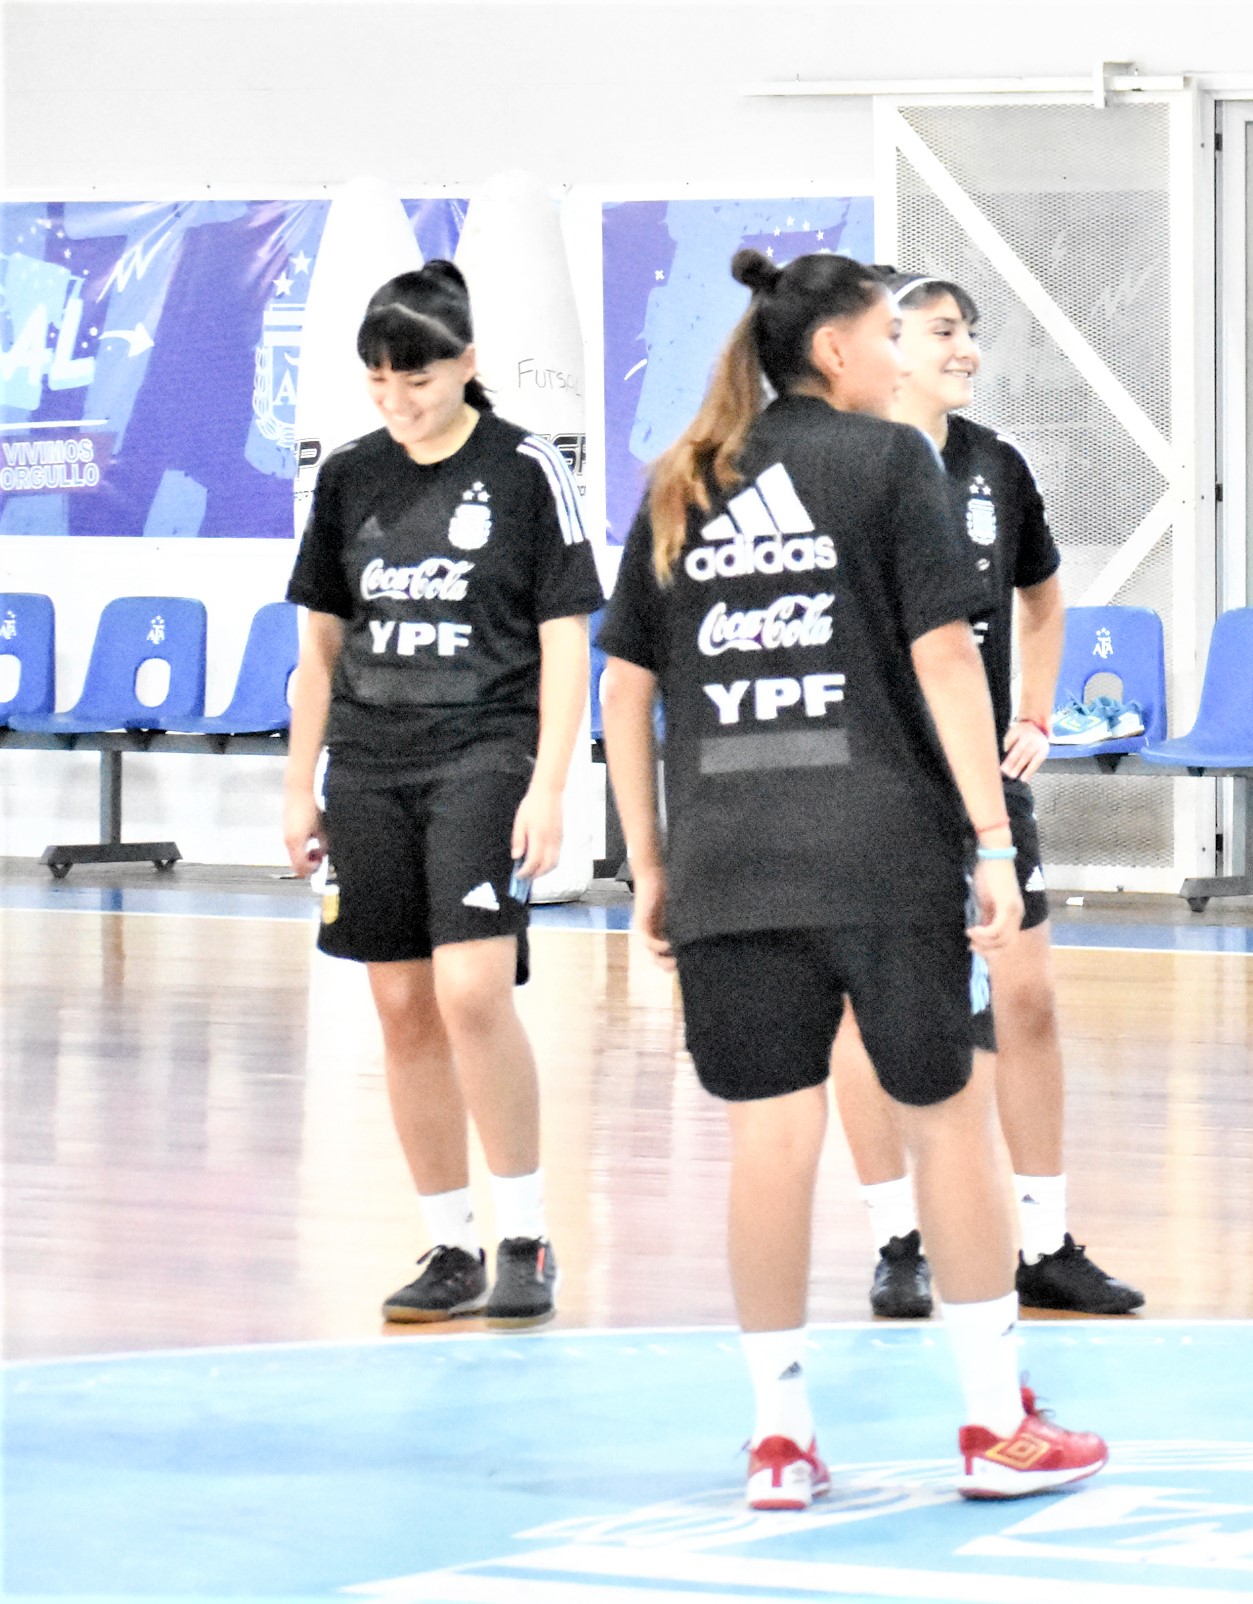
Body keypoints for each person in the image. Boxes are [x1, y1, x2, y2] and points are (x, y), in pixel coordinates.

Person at [596, 249, 1107, 1508]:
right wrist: (992, 840)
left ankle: (780, 1439)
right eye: (889, 333)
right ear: (833, 351)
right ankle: (995, 1425)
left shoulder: (684, 480)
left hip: (727, 860)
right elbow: (946, 658)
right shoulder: (892, 465)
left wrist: (649, 864)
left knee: (769, 1144)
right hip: (881, 851)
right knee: (947, 1124)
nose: (903, 353)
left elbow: (626, 690)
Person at [282, 259, 600, 1329]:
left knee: (471, 991)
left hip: (484, 749)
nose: (397, 399)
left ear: (466, 364)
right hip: (368, 763)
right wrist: (299, 784)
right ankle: (450, 1241)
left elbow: (568, 639)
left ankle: (525, 1229)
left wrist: (554, 780)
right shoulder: (350, 476)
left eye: (415, 378)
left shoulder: (523, 470)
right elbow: (319, 648)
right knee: (401, 1003)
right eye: (377, 381)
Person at [831, 272, 1144, 1321]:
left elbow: (1043, 597)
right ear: (889, 345)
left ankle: (1045, 1239)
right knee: (868, 1014)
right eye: (944, 331)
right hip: (867, 777)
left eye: (971, 332)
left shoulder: (996, 468)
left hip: (981, 778)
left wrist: (1039, 711)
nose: (965, 349)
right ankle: (897, 1237)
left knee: (1027, 1000)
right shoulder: (842, 465)